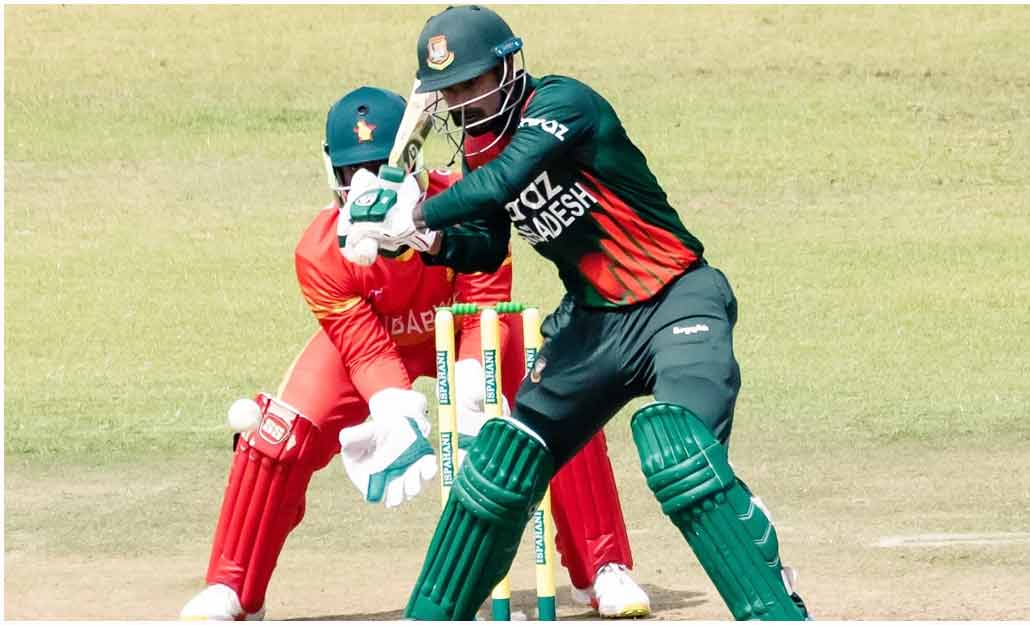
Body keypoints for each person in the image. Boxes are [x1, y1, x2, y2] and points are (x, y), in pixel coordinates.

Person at [340, 6, 812, 621]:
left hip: (676, 300)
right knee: (501, 465)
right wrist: (421, 239)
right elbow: (485, 246)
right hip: (593, 327)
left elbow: (508, 178)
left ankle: (770, 589)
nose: (461, 103)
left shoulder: (564, 105)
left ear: (508, 68)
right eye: (449, 92)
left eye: (471, 83)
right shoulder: (479, 152)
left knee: (684, 454)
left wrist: (417, 210)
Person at [180, 85, 650, 620]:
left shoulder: (467, 204)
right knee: (278, 434)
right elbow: (361, 347)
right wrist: (394, 410)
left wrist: (473, 386)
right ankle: (233, 587)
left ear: (410, 162)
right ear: (331, 173)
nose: (365, 184)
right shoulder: (320, 252)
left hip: (470, 329)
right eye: (351, 172)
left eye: (379, 167)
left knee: (562, 398)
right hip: (377, 343)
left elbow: (484, 304)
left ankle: (603, 568)